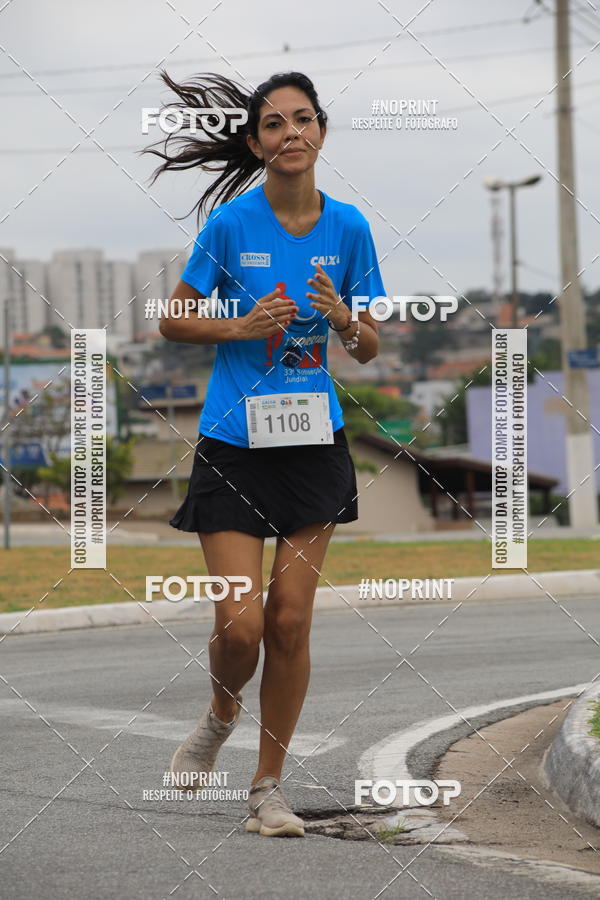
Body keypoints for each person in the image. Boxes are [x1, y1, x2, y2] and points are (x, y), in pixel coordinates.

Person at [147, 69, 386, 837]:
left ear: (321, 132)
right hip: (232, 444)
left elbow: (373, 346)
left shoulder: (349, 228)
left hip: (313, 442)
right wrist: (240, 327)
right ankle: (221, 712)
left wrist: (345, 319)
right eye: (275, 124)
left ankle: (267, 790)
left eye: (305, 119)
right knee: (242, 625)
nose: (292, 134)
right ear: (256, 143)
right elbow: (172, 322)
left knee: (289, 622)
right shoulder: (229, 228)